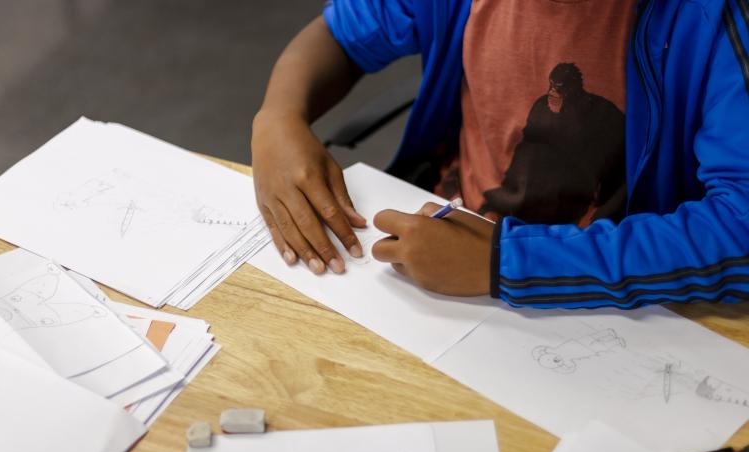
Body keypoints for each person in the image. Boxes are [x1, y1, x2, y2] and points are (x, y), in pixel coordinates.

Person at [251, 0, 749, 309]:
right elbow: (340, 34)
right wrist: (277, 115)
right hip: (451, 240)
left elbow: (740, 228)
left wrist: (508, 263)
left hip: (603, 275)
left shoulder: (715, 17)